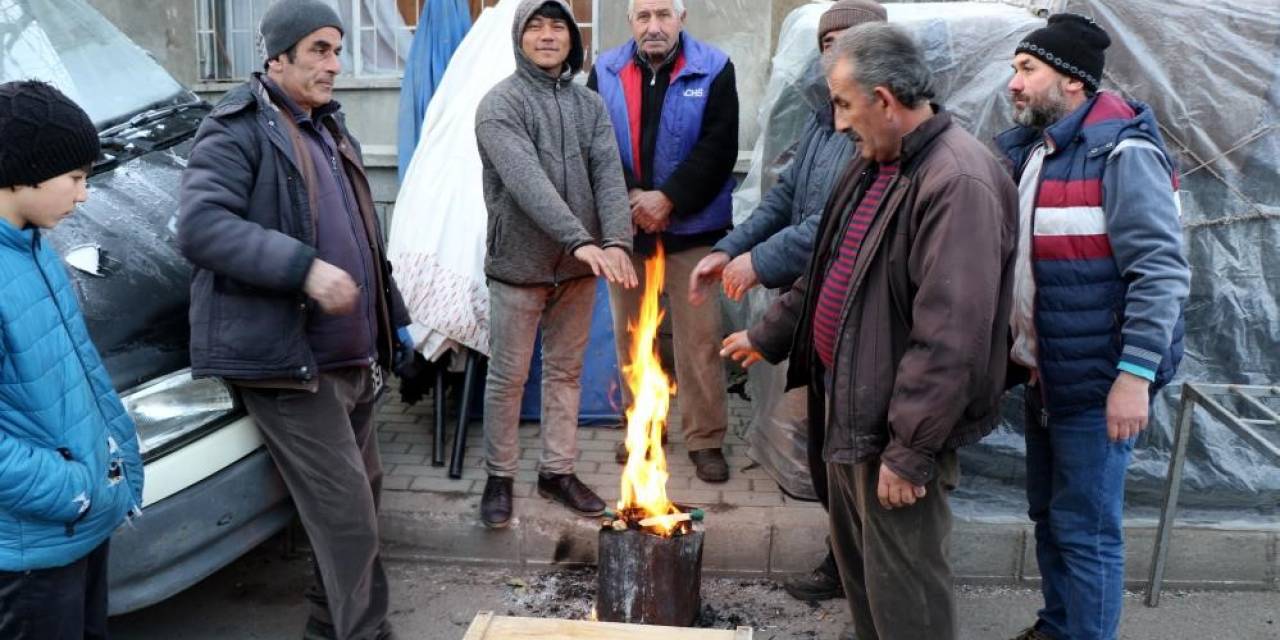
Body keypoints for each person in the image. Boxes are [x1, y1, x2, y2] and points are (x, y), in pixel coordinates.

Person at [722, 24, 1018, 640]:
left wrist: (909, 454)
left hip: (891, 432)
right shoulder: (874, 163)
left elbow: (951, 339)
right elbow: (830, 266)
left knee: (906, 598)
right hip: (850, 411)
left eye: (843, 104)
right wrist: (769, 335)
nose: (836, 123)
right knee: (866, 585)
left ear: (885, 100)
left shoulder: (957, 179)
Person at [177, 1, 414, 638]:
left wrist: (396, 322)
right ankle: (362, 632)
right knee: (347, 516)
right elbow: (201, 228)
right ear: (276, 57)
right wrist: (303, 269)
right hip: (288, 364)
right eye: (319, 50)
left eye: (338, 50)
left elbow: (364, 238)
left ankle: (324, 622)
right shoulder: (236, 128)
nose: (335, 64)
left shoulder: (329, 128)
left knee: (362, 498)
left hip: (351, 360)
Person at [996, 14, 1190, 640]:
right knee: (1050, 519)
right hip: (1047, 377)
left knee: (1086, 529)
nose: (1013, 84)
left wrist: (1132, 378)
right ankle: (1058, 626)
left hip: (1100, 383)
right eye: (1015, 69)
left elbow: (1159, 273)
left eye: (1027, 70)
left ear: (1072, 82)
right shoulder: (1040, 151)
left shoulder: (1123, 153)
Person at [688, 0, 886, 605]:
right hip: (815, 308)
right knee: (829, 454)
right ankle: (843, 560)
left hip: (860, 316)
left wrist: (759, 263)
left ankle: (873, 576)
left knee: (858, 459)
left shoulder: (875, 127)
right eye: (825, 40)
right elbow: (784, 199)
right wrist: (730, 248)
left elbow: (835, 222)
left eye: (844, 39)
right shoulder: (823, 120)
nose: (831, 49)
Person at [474, 0, 637, 530]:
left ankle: (557, 472)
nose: (548, 36)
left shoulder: (589, 106)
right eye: (536, 27)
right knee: (508, 376)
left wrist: (615, 240)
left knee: (565, 372)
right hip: (519, 263)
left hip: (577, 268)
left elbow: (609, 175)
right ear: (519, 37)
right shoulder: (499, 105)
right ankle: (500, 476)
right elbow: (527, 184)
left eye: (558, 26)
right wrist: (579, 240)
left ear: (572, 37)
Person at [0, 80, 144, 640]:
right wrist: (71, 489)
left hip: (78, 519)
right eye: (76, 178)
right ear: (22, 173)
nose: (84, 194)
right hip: (33, 544)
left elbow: (79, 371)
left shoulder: (34, 246)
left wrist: (119, 458)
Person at [588, 0, 739, 483]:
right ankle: (643, 430)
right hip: (626, 228)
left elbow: (720, 147)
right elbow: (596, 146)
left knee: (700, 340)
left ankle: (706, 438)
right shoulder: (605, 70)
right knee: (633, 336)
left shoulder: (715, 68)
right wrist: (632, 197)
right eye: (643, 16)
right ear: (630, 22)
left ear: (682, 18)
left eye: (663, 15)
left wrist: (668, 199)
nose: (654, 26)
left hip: (694, 230)